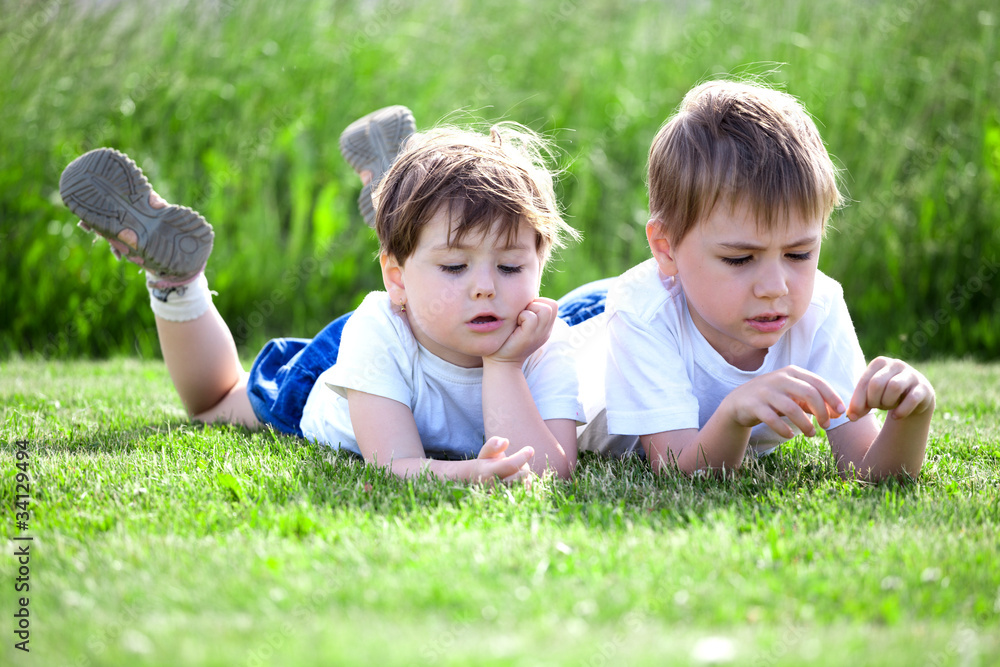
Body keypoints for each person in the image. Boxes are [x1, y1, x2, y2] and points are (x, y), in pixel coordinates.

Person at [59, 106, 584, 483]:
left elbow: (550, 470)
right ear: (395, 278)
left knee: (432, 227)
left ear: (541, 262)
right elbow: (394, 464)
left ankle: (407, 196)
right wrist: (469, 473)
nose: (487, 287)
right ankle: (177, 284)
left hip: (413, 317)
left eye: (512, 264)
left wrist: (504, 365)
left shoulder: (545, 339)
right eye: (454, 265)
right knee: (214, 402)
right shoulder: (377, 330)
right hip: (345, 369)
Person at [582, 79, 936, 480]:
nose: (775, 287)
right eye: (740, 258)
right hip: (588, 324)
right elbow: (677, 472)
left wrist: (912, 416)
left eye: (798, 254)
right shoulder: (641, 312)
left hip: (676, 291)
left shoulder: (818, 307)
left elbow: (868, 469)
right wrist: (735, 412)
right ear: (666, 248)